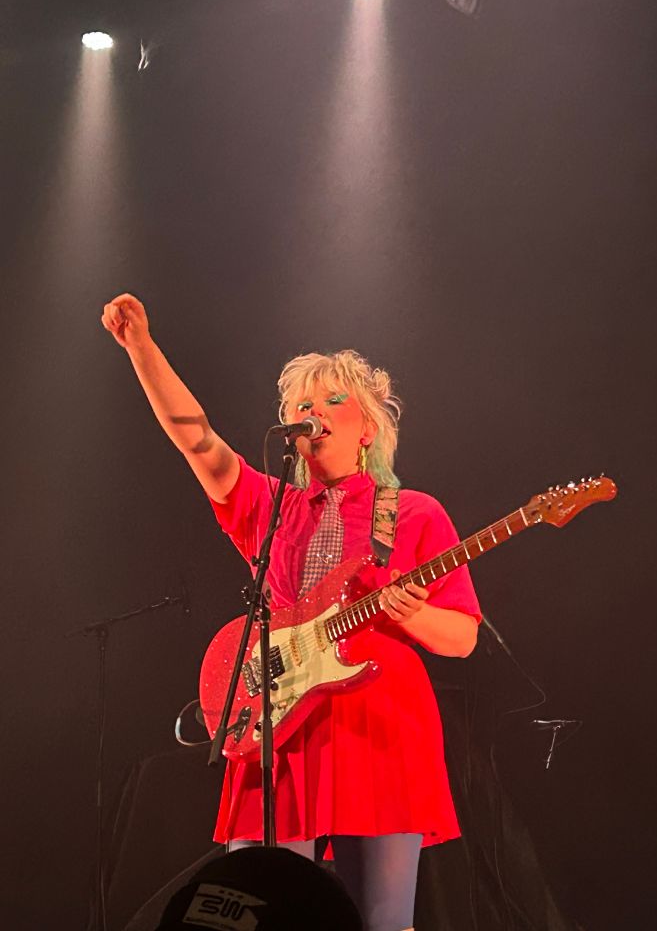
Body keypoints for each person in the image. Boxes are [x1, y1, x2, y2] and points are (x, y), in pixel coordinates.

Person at [102, 293, 482, 931]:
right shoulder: (268, 506)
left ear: (369, 427)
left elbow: (462, 637)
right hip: (276, 720)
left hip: (378, 724)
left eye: (333, 400)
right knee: (254, 912)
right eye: (302, 405)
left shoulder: (412, 511)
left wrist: (409, 614)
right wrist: (141, 347)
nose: (314, 413)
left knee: (381, 922)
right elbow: (196, 440)